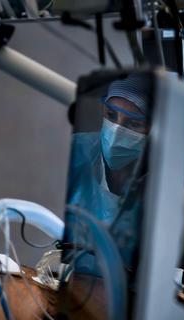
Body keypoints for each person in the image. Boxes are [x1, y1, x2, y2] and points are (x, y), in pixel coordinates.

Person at [66, 74, 151, 271]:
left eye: (133, 123)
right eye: (111, 116)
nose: (116, 131)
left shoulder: (163, 181)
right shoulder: (79, 152)